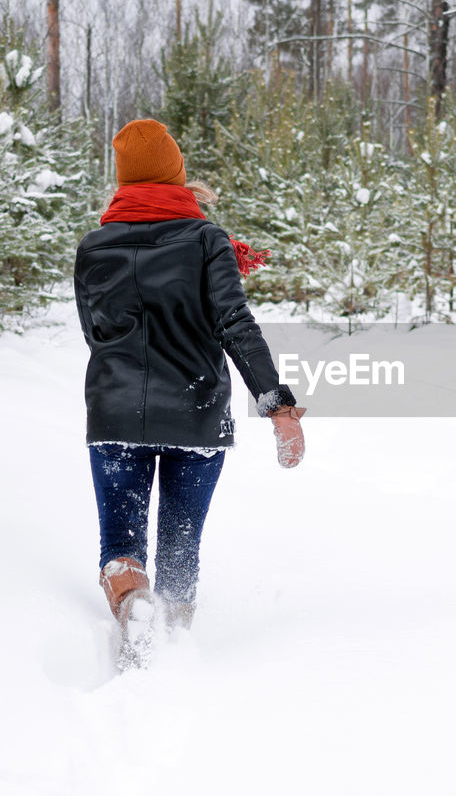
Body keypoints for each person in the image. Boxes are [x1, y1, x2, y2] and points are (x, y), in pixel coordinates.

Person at [74, 118, 305, 634]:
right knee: (181, 548)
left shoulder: (93, 247)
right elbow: (235, 324)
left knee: (121, 542)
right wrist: (279, 406)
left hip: (114, 414)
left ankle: (131, 592)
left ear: (124, 180)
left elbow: (96, 334)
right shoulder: (206, 239)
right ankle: (176, 640)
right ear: (176, 174)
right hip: (194, 415)